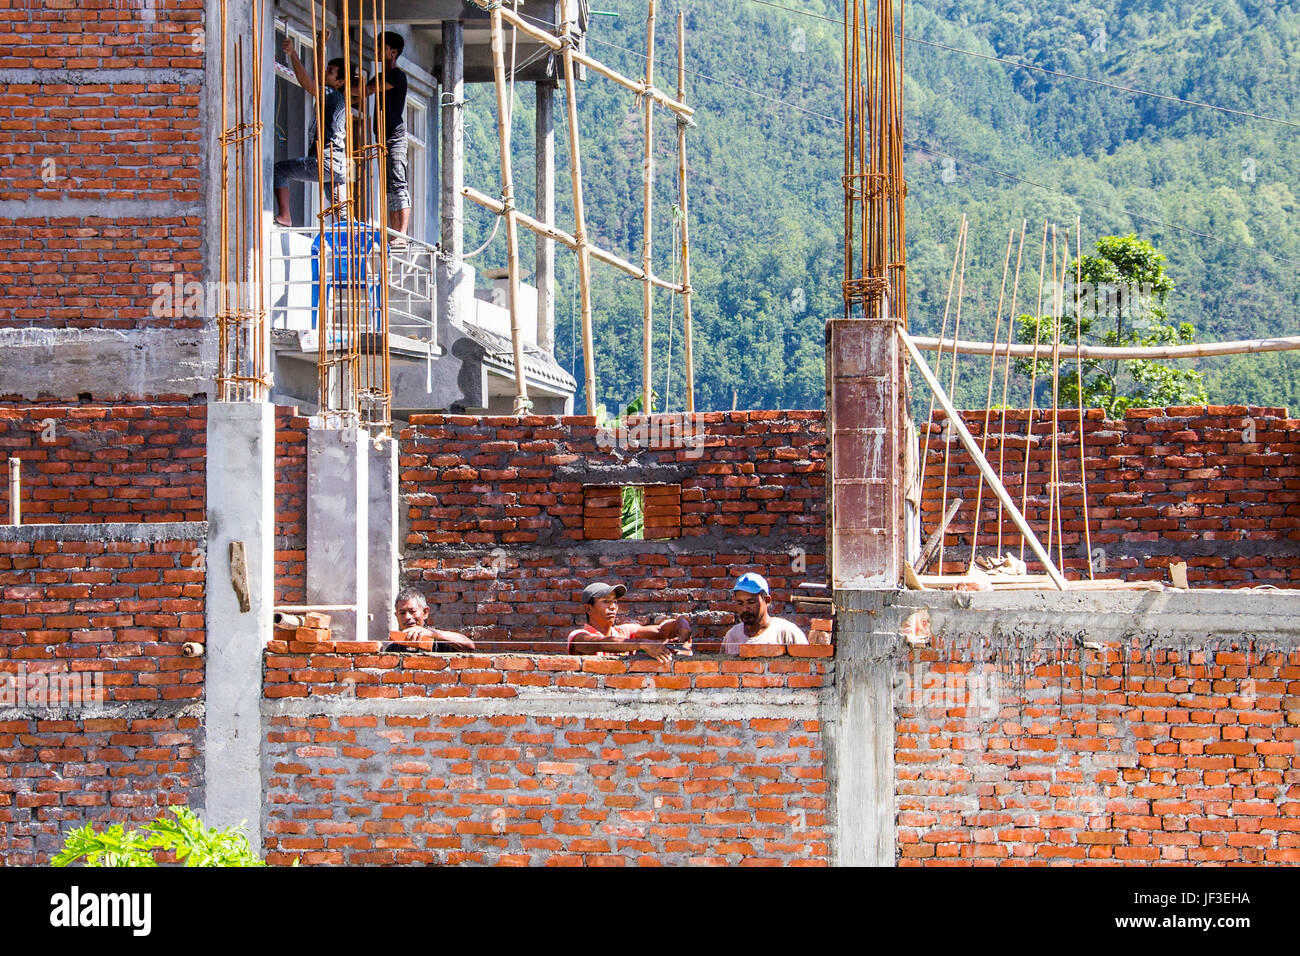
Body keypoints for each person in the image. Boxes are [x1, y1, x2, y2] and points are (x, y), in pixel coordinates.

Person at [274, 34, 351, 226]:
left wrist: (293, 54)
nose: (326, 72)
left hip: (325, 159)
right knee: (342, 215)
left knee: (279, 170)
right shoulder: (338, 99)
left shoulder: (332, 95)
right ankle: (353, 237)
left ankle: (285, 216)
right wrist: (319, 46)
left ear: (339, 82)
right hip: (339, 163)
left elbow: (308, 83)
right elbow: (316, 79)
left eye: (331, 72)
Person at [567, 582, 691, 662]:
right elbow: (600, 643)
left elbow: (660, 631)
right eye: (605, 601)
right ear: (588, 608)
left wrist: (680, 624)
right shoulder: (578, 636)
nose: (612, 607)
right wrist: (642, 644)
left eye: (614, 602)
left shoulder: (624, 631)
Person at [364, 31, 411, 240]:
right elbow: (367, 90)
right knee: (390, 187)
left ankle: (401, 232)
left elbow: (369, 90)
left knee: (398, 184)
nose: (377, 51)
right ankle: (394, 234)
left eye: (381, 48)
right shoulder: (382, 75)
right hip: (383, 138)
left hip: (395, 137)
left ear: (393, 52)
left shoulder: (396, 76)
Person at [721, 572, 807, 654]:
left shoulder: (786, 633)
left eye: (751, 602)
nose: (745, 609)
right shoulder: (732, 637)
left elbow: (807, 666)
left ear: (767, 600)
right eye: (740, 603)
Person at [388, 587, 476, 652]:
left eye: (412, 611)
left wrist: (432, 634)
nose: (407, 617)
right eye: (402, 613)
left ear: (425, 612)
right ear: (396, 616)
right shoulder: (393, 649)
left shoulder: (440, 643)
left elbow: (469, 645)